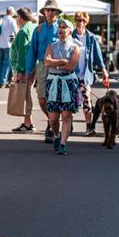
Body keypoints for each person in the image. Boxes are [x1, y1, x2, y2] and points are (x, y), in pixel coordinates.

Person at [25, 0, 61, 143]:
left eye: (53, 10)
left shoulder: (62, 27)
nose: (51, 12)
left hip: (58, 67)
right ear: (44, 12)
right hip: (42, 66)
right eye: (48, 10)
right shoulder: (38, 29)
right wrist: (28, 70)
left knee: (55, 98)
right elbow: (32, 51)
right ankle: (52, 120)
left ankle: (52, 127)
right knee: (42, 99)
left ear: (57, 12)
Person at [44, 19, 81, 155]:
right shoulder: (51, 46)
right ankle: (56, 136)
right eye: (60, 27)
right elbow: (47, 62)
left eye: (64, 27)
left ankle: (63, 144)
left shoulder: (75, 47)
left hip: (69, 82)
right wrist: (62, 61)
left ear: (70, 31)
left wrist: (56, 65)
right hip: (53, 82)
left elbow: (72, 66)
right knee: (53, 118)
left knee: (66, 116)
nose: (61, 29)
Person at [72, 11, 109, 135]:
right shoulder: (70, 36)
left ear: (86, 22)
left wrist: (104, 71)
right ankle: (69, 125)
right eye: (78, 20)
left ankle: (89, 126)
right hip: (72, 74)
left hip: (85, 75)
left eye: (82, 20)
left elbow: (98, 56)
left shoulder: (91, 37)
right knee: (72, 101)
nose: (80, 22)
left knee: (86, 99)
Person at [10, 7, 37, 133]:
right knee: (27, 93)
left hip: (24, 68)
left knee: (25, 95)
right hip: (31, 66)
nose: (16, 19)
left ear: (20, 17)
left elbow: (23, 53)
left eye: (17, 17)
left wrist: (20, 71)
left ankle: (28, 124)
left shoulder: (23, 31)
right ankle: (28, 122)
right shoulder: (32, 27)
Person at [0, 6, 19, 88]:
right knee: (7, 64)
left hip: (0, 44)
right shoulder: (12, 20)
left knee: (0, 64)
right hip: (8, 45)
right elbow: (15, 32)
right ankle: (3, 81)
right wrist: (12, 42)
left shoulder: (1, 19)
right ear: (11, 12)